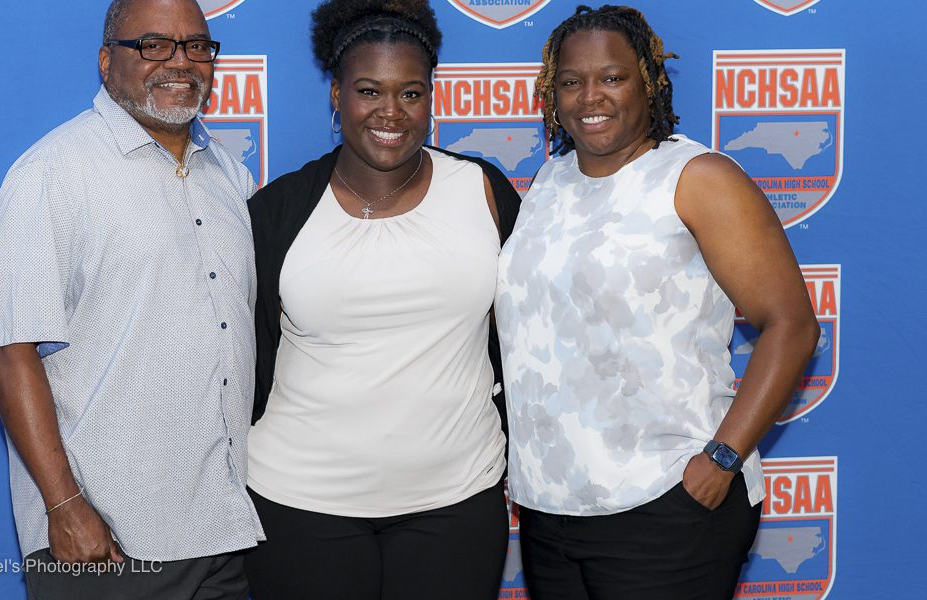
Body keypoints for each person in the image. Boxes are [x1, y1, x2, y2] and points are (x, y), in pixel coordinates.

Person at [495, 5, 821, 600]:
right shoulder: (548, 183)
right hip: (550, 510)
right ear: (551, 94)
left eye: (612, 77)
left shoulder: (697, 177)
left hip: (667, 502)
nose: (590, 96)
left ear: (649, 81)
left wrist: (722, 459)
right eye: (571, 81)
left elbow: (792, 325)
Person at [0, 0, 262, 597]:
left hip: (222, 527)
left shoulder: (228, 174)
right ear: (107, 61)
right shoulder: (52, 173)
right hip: (108, 538)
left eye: (196, 46)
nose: (180, 62)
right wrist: (64, 506)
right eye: (154, 45)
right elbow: (8, 353)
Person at [243, 1, 520, 598]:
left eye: (411, 93)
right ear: (337, 95)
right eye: (369, 91)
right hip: (300, 503)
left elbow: (526, 331)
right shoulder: (278, 211)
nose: (390, 112)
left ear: (431, 97)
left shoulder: (483, 190)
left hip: (457, 501)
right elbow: (244, 352)